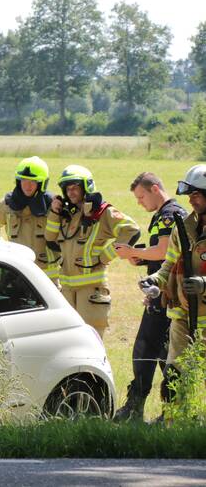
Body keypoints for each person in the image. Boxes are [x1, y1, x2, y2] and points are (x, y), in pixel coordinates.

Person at [111, 172, 185, 422]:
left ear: (155, 189)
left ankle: (138, 408)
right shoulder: (168, 214)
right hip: (166, 292)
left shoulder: (168, 215)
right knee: (163, 352)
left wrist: (133, 250)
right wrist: (141, 257)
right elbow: (167, 254)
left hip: (167, 295)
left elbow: (164, 250)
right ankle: (172, 410)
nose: (140, 203)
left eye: (141, 196)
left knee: (147, 348)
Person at [46, 164, 139, 338]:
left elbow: (131, 230)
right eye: (68, 188)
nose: (71, 192)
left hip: (91, 291)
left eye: (75, 187)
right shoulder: (68, 213)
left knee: (91, 341)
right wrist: (54, 212)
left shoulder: (103, 212)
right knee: (68, 341)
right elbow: (50, 238)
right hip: (67, 290)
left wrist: (105, 256)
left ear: (86, 187)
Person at [145, 164, 206, 417]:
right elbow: (169, 264)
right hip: (183, 317)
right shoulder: (183, 227)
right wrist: (154, 281)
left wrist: (203, 284)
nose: (191, 200)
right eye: (189, 195)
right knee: (174, 376)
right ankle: (174, 425)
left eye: (197, 195)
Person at [0, 156, 58, 282]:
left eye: (33, 182)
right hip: (18, 275)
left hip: (47, 278)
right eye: (24, 180)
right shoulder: (6, 205)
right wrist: (0, 249)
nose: (27, 186)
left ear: (41, 183)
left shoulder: (53, 206)